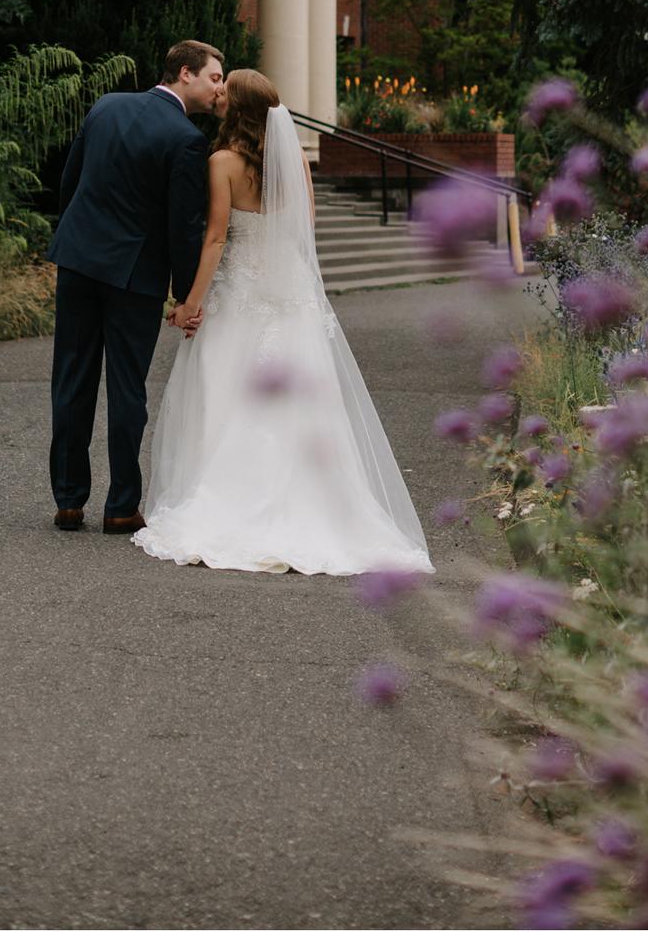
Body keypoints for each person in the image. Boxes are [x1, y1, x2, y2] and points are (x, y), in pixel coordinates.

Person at [134, 69, 434, 577]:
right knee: (302, 403)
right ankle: (316, 504)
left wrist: (189, 302)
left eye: (227, 88)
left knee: (221, 388)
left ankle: (226, 499)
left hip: (240, 295)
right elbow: (305, 230)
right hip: (290, 294)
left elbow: (215, 239)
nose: (220, 92)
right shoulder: (294, 159)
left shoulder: (222, 163)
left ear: (240, 107)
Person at [47, 39, 223, 534]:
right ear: (184, 73)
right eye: (214, 77)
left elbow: (71, 181)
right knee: (127, 388)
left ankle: (67, 499)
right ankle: (121, 505)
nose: (219, 88)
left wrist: (73, 238)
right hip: (134, 278)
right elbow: (183, 228)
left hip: (78, 262)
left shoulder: (106, 106)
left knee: (71, 378)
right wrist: (187, 296)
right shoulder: (186, 138)